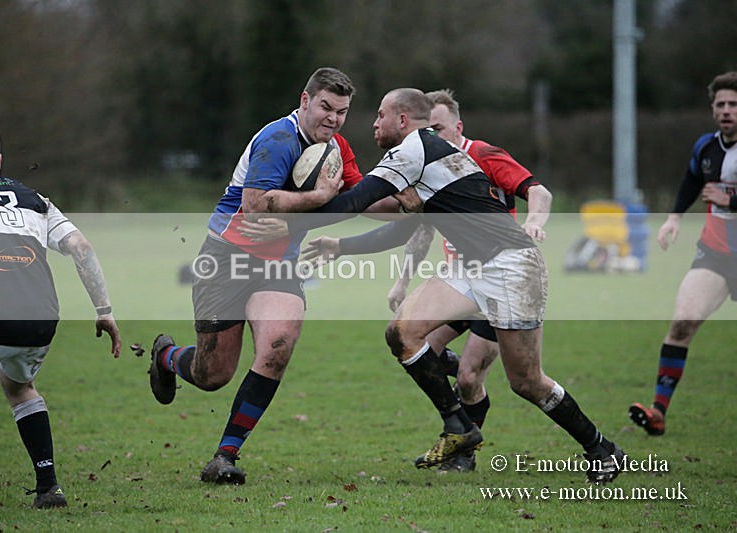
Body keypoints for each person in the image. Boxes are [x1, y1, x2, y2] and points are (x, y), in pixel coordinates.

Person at [244, 88, 625, 484]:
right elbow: (402, 230)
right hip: (470, 267)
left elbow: (356, 200)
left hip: (512, 266)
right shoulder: (428, 157)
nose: (374, 124)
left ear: (403, 120)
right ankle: (459, 427)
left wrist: (301, 214)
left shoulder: (412, 152)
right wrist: (340, 245)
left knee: (527, 382)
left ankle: (602, 448)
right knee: (402, 333)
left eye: (380, 115)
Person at [148, 67, 360, 485]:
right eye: (325, 107)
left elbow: (359, 198)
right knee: (213, 374)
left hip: (278, 266)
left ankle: (225, 456)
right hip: (227, 259)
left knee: (278, 345)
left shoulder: (336, 148)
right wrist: (317, 199)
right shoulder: (277, 139)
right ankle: (166, 357)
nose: (333, 118)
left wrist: (408, 195)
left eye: (342, 111)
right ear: (305, 100)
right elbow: (257, 204)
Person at [0, 121, 122, 508]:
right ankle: (48, 488)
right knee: (19, 386)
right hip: (42, 321)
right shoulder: (34, 198)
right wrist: (103, 311)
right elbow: (82, 248)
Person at [386, 89, 552, 472]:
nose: (432, 137)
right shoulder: (429, 166)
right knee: (414, 342)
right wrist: (401, 282)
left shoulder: (483, 156)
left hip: (500, 282)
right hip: (460, 284)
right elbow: (423, 231)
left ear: (458, 127)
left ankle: (463, 453)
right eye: (427, 129)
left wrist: (534, 221)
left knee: (469, 378)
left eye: (440, 128)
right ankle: (460, 427)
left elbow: (539, 193)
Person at [629, 71, 737, 436]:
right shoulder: (706, 147)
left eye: (733, 104)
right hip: (717, 254)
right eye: (720, 104)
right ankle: (658, 411)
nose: (726, 110)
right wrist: (674, 218)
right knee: (682, 323)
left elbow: (723, 195)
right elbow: (692, 180)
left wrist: (731, 199)